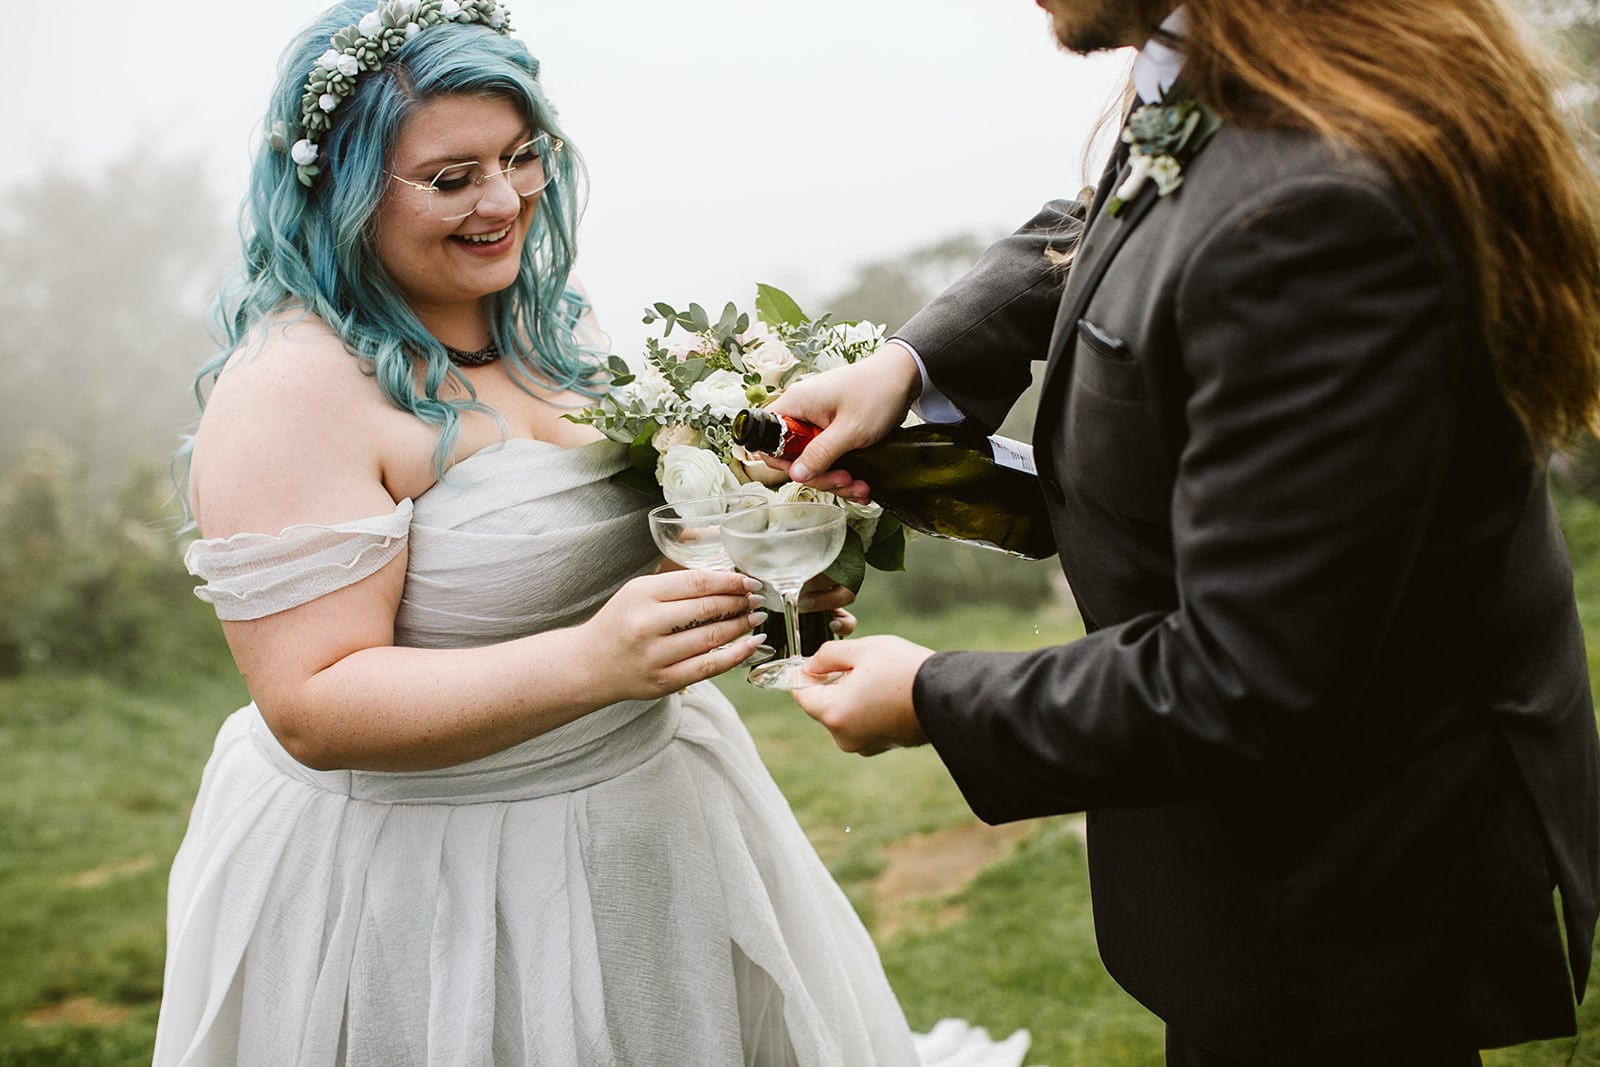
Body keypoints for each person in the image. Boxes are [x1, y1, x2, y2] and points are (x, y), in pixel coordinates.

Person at [155, 2, 1028, 1064]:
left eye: (522, 157)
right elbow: (309, 703)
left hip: (647, 821)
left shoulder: (550, 324)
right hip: (429, 879)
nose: (503, 199)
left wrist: (745, 575)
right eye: (451, 176)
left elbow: (586, 554)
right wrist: (592, 660)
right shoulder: (290, 390)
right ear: (337, 189)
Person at [770, 1, 1600, 1064]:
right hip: (1269, 854)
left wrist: (931, 694)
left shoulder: (1317, 205)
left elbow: (1244, 673)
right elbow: (1113, 220)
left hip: (1349, 880)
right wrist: (908, 367)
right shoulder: (1231, 76)